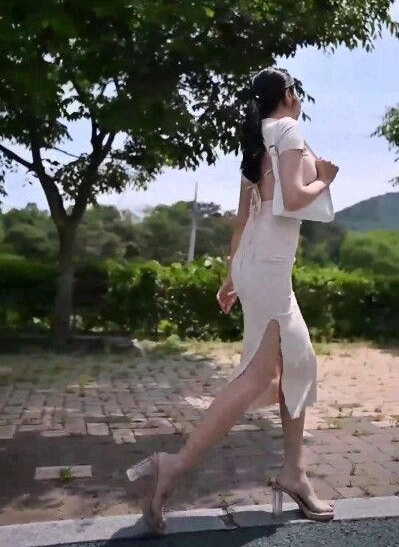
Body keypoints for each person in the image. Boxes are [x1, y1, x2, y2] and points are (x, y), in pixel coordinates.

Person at [126, 67, 339, 534]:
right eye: (295, 91)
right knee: (258, 376)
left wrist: (231, 276)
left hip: (255, 265)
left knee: (299, 363)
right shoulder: (288, 130)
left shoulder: (258, 141)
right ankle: (173, 465)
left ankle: (294, 472)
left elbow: (244, 220)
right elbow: (296, 198)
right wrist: (325, 178)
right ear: (288, 95)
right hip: (268, 269)